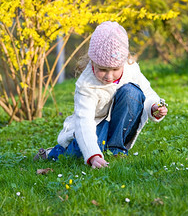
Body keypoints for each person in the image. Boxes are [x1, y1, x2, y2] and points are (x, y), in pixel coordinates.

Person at [34, 21, 168, 169]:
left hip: (120, 125)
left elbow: (147, 94)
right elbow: (84, 122)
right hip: (95, 126)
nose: (109, 76)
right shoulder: (86, 84)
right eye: (102, 69)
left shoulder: (131, 69)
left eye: (115, 69)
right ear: (92, 62)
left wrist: (154, 106)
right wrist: (93, 155)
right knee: (81, 150)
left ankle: (116, 150)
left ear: (124, 61)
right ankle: (55, 152)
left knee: (132, 92)